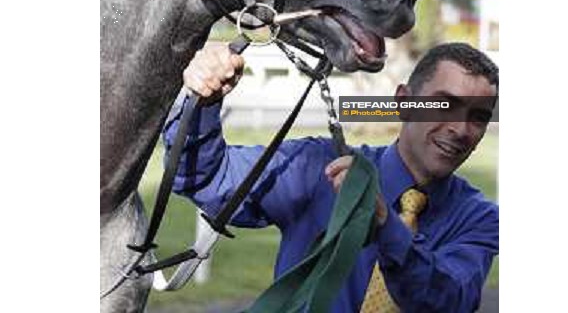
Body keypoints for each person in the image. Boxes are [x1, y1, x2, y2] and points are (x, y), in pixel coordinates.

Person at [163, 42, 499, 312]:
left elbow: (448, 300)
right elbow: (206, 179)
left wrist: (386, 227)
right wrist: (203, 102)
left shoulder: (480, 218)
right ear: (404, 101)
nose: (460, 129)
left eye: (479, 117)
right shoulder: (319, 166)